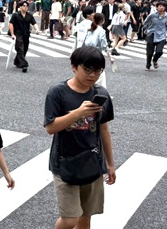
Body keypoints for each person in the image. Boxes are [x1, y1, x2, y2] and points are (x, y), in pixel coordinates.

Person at [44, 46, 116, 229]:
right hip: (64, 162)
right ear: (74, 67)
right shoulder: (58, 92)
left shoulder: (101, 94)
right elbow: (50, 127)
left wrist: (110, 164)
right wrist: (78, 113)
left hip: (92, 162)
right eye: (88, 69)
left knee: (86, 217)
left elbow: (104, 129)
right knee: (70, 220)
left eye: (98, 70)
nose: (93, 75)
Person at [8, 0, 39, 73]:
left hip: (26, 34)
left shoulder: (29, 15)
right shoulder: (15, 15)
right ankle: (24, 65)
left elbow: (34, 23)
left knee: (24, 49)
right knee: (20, 49)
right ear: (20, 7)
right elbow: (11, 24)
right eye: (24, 6)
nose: (25, 7)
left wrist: (37, 29)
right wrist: (12, 34)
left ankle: (17, 61)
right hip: (18, 34)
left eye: (27, 6)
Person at [143, 2, 167, 71]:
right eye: (160, 6)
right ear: (157, 7)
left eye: (163, 6)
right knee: (150, 51)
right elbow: (145, 23)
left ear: (165, 8)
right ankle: (148, 64)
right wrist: (146, 29)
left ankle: (155, 60)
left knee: (159, 51)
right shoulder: (152, 15)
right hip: (152, 34)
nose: (161, 7)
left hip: (162, 35)